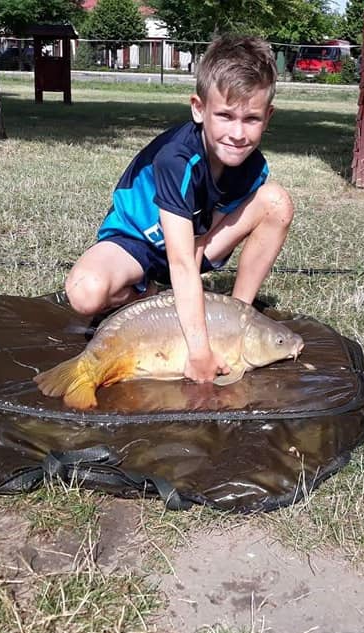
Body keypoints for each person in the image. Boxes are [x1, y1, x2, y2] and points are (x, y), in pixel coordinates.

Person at [64, 35, 294, 385]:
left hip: (193, 242)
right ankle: (149, 294)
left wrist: (222, 333)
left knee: (276, 202)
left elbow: (202, 240)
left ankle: (239, 320)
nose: (237, 133)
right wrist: (199, 353)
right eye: (225, 115)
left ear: (268, 117)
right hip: (135, 242)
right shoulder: (176, 158)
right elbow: (182, 264)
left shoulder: (252, 167)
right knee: (85, 292)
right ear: (198, 109)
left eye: (251, 119)